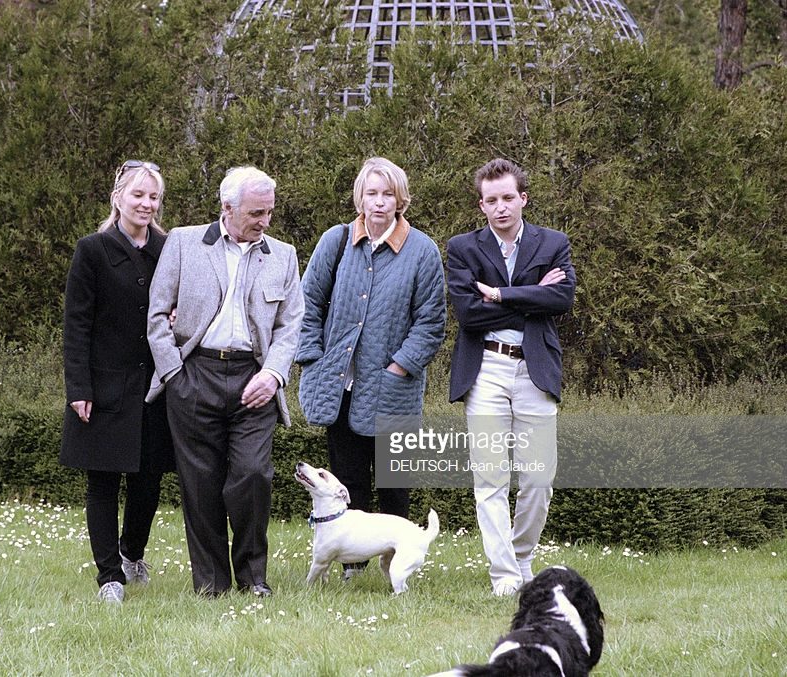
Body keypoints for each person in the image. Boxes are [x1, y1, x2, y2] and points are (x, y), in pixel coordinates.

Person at [146, 166, 303, 598]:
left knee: (253, 475)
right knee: (200, 484)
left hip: (256, 379)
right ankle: (211, 584)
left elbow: (291, 326)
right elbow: (157, 315)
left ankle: (253, 579)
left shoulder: (284, 255)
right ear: (227, 208)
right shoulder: (184, 243)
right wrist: (174, 374)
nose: (264, 221)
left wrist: (273, 374)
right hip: (195, 375)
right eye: (255, 213)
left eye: (269, 212)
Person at [296, 156, 447, 580]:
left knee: (394, 482)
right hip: (339, 384)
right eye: (371, 193)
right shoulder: (336, 240)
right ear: (360, 198)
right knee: (348, 477)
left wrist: (400, 367)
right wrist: (313, 356)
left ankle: (397, 564)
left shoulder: (422, 251)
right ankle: (353, 567)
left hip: (394, 388)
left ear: (401, 200)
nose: (379, 202)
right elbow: (308, 304)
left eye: (388, 194)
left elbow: (431, 322)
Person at [446, 158, 576, 596]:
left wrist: (501, 294)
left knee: (538, 479)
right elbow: (468, 313)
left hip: (534, 369)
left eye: (507, 197)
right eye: (491, 200)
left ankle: (521, 557)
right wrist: (534, 296)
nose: (500, 207)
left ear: (523, 198)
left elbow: (561, 299)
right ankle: (504, 576)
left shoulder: (553, 243)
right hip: (485, 369)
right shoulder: (462, 248)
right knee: (491, 479)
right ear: (481, 205)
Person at [60, 160, 175, 605]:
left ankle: (131, 555)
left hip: (154, 388)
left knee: (148, 482)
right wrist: (79, 388)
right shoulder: (92, 250)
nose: (146, 204)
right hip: (104, 387)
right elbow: (76, 325)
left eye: (153, 197)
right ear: (118, 198)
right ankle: (109, 576)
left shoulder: (169, 248)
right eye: (138, 195)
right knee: (103, 483)